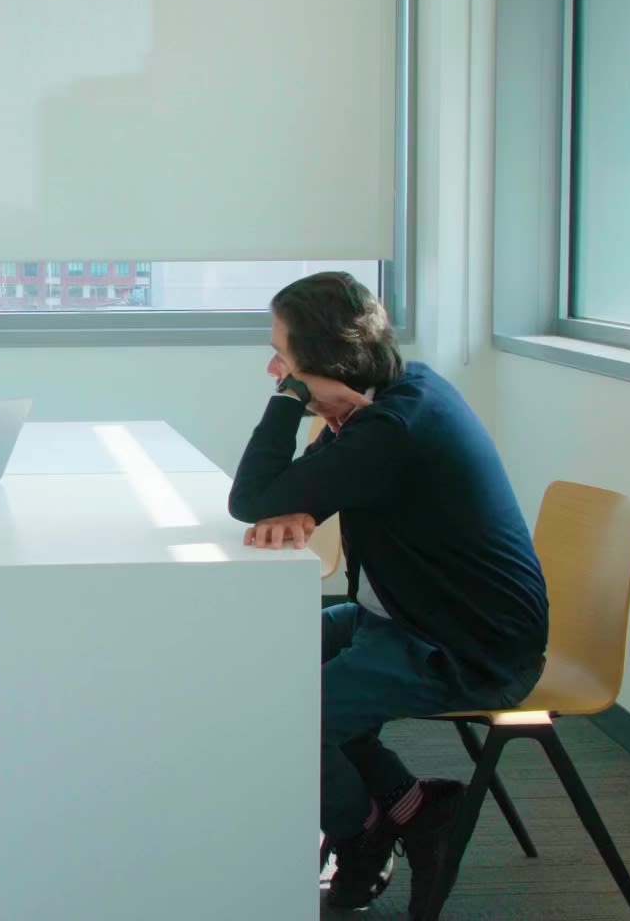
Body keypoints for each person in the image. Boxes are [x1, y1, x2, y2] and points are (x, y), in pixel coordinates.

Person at [227, 272, 548, 917]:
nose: (273, 370)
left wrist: (289, 402)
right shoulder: (400, 393)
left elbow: (250, 498)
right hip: (403, 615)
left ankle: (362, 833)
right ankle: (413, 805)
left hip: (463, 646)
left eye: (283, 361)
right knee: (261, 667)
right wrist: (306, 503)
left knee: (288, 718)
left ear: (329, 364)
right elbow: (293, 492)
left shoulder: (391, 429)